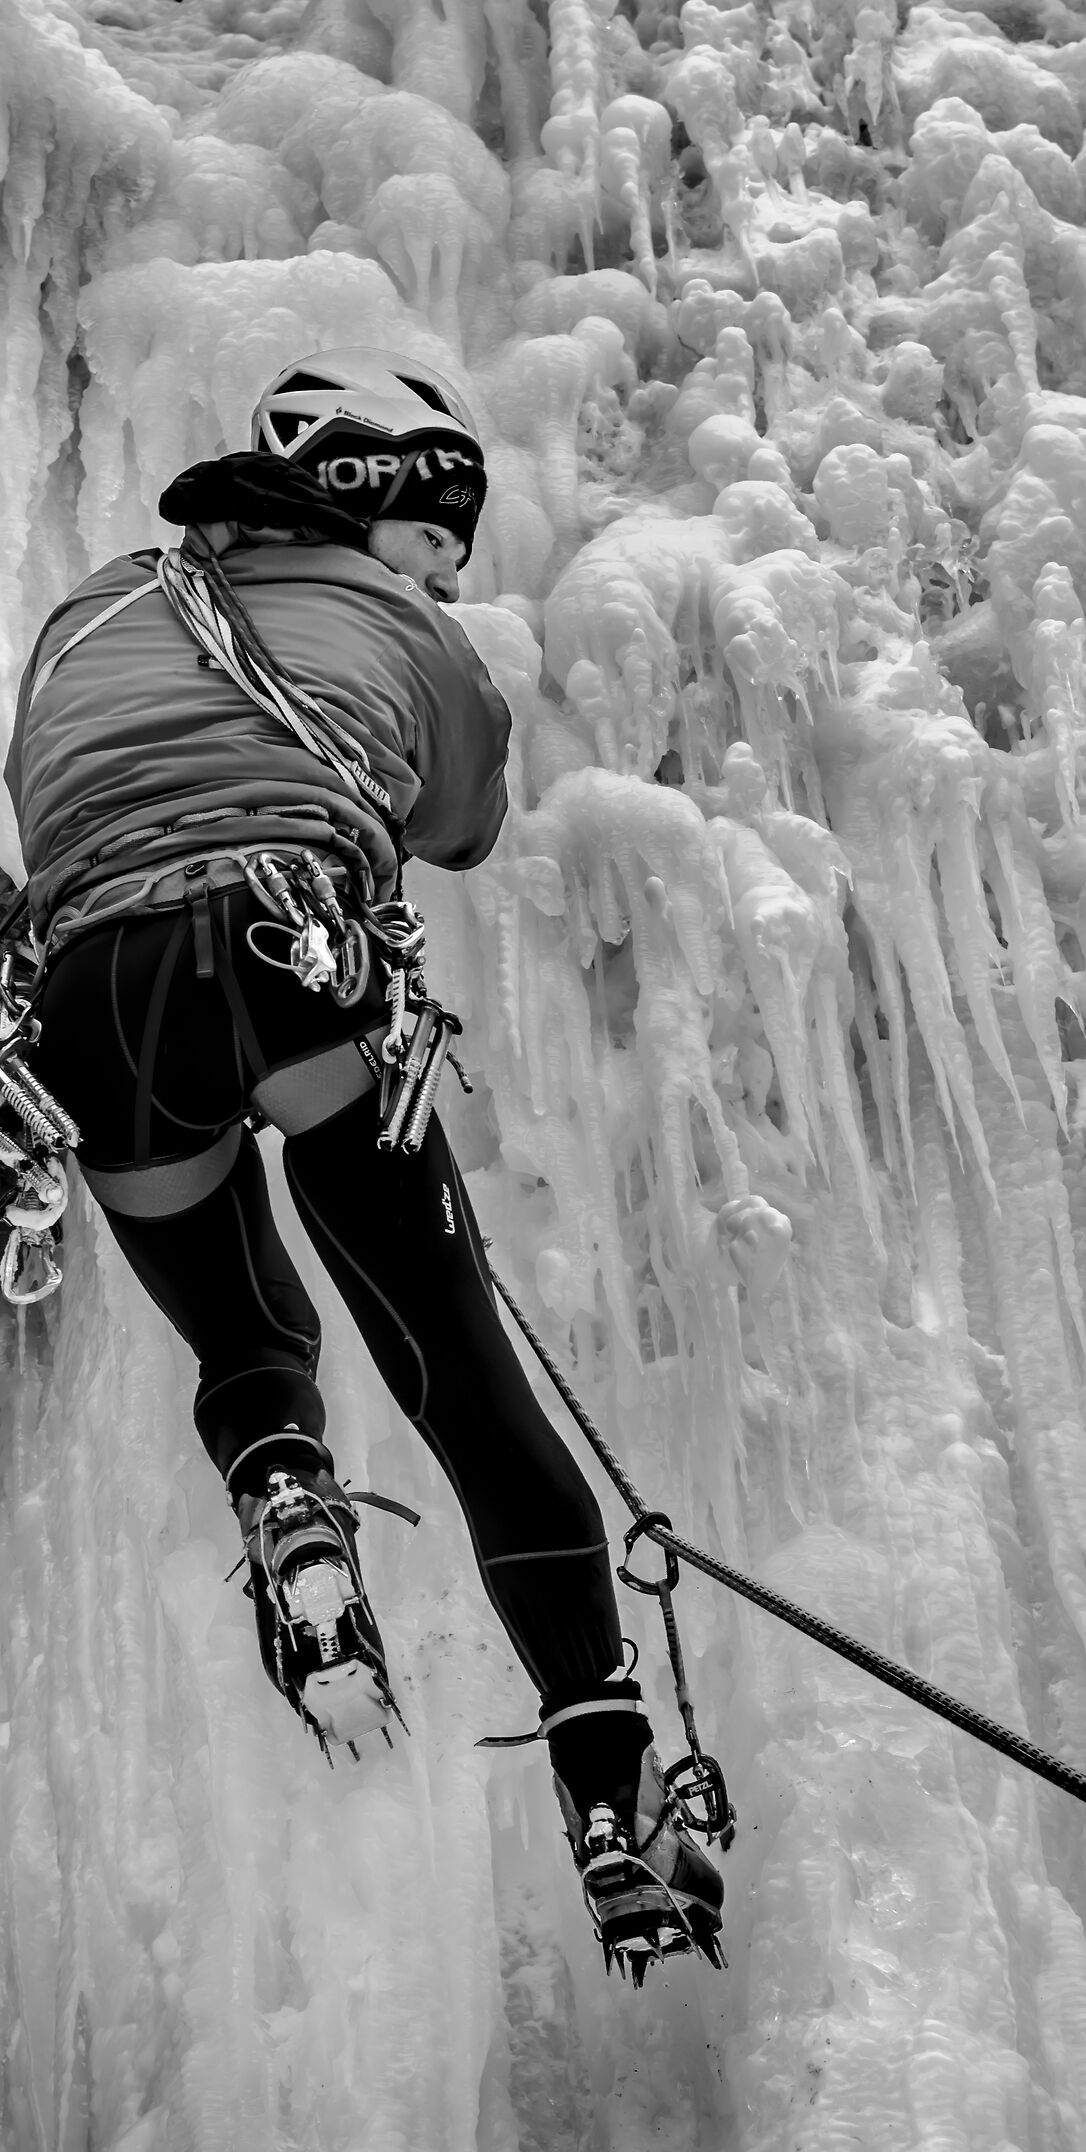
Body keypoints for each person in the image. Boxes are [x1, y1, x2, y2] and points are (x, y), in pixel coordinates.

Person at [3, 348, 723, 1977]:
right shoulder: (427, 640)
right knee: (460, 1376)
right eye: (436, 531)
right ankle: (608, 1791)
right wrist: (411, 648)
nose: (448, 568)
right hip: (294, 959)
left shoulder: (89, 613)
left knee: (253, 1344)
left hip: (87, 1007)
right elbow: (461, 824)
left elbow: (50, 794)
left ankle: (291, 1515)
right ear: (365, 488)